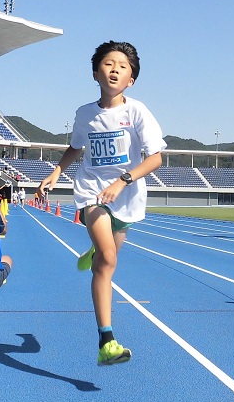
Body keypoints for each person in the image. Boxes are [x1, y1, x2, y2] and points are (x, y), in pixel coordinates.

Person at [38, 41, 166, 366]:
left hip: (127, 196)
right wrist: (56, 172)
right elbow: (75, 147)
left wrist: (123, 181)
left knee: (105, 256)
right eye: (109, 64)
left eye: (123, 66)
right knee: (108, 262)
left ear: (131, 79)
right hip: (92, 192)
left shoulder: (137, 112)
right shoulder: (84, 114)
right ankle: (106, 341)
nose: (115, 69)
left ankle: (95, 249)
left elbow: (156, 159)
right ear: (96, 72)